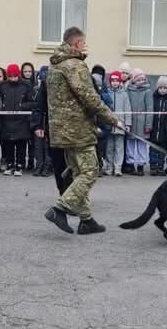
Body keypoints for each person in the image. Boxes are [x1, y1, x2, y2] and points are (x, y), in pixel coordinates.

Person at [44, 27, 120, 236]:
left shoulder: (55, 65)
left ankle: (87, 221)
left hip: (61, 129)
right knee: (90, 171)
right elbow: (89, 96)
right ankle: (59, 208)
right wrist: (113, 119)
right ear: (76, 43)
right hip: (77, 129)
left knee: (79, 172)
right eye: (84, 43)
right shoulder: (75, 65)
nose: (85, 46)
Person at [0, 63, 33, 176]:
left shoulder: (26, 85)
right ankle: (9, 164)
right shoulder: (3, 86)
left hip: (22, 120)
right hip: (7, 120)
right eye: (11, 76)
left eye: (15, 76)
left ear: (18, 75)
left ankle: (19, 165)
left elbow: (32, 102)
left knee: (21, 145)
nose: (13, 78)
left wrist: (22, 106)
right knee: (8, 144)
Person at [103, 71, 131, 177]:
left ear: (120, 82)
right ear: (110, 82)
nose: (115, 83)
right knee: (109, 148)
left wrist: (127, 124)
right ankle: (109, 167)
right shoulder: (107, 93)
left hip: (121, 125)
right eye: (113, 81)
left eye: (117, 81)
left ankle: (118, 168)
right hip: (109, 125)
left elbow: (128, 110)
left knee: (119, 148)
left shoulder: (124, 94)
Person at [126, 68, 152, 176]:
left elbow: (150, 109)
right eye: (138, 79)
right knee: (130, 144)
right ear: (133, 81)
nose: (141, 81)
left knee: (142, 145)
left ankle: (141, 165)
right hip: (131, 122)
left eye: (143, 79)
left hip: (142, 123)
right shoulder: (128, 90)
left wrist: (148, 125)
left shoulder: (147, 91)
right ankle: (131, 164)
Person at [149, 76, 167, 176]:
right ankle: (153, 166)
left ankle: (160, 166)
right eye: (160, 88)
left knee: (162, 150)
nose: (162, 90)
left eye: (165, 88)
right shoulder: (153, 97)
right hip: (154, 128)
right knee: (153, 149)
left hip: (164, 129)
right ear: (157, 88)